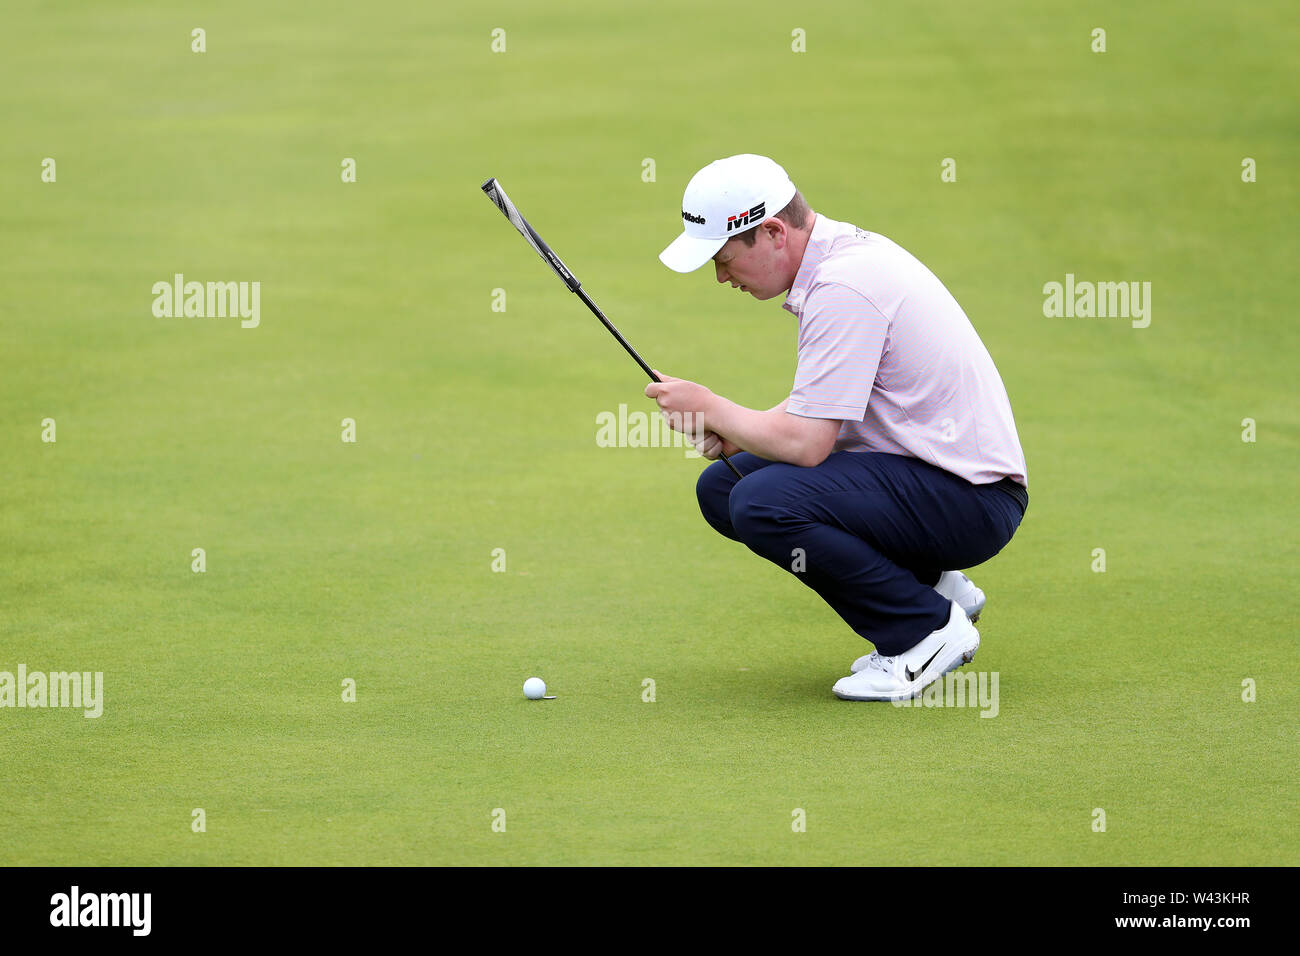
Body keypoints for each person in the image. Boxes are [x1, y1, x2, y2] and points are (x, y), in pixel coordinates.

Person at [648, 154, 1028, 701]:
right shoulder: (842, 261)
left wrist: (710, 405)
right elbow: (826, 407)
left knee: (762, 501)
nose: (721, 277)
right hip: (932, 478)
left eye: (725, 259)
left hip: (972, 501)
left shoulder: (844, 287)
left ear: (773, 232)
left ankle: (923, 629)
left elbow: (807, 444)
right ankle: (935, 588)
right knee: (725, 485)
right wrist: (737, 434)